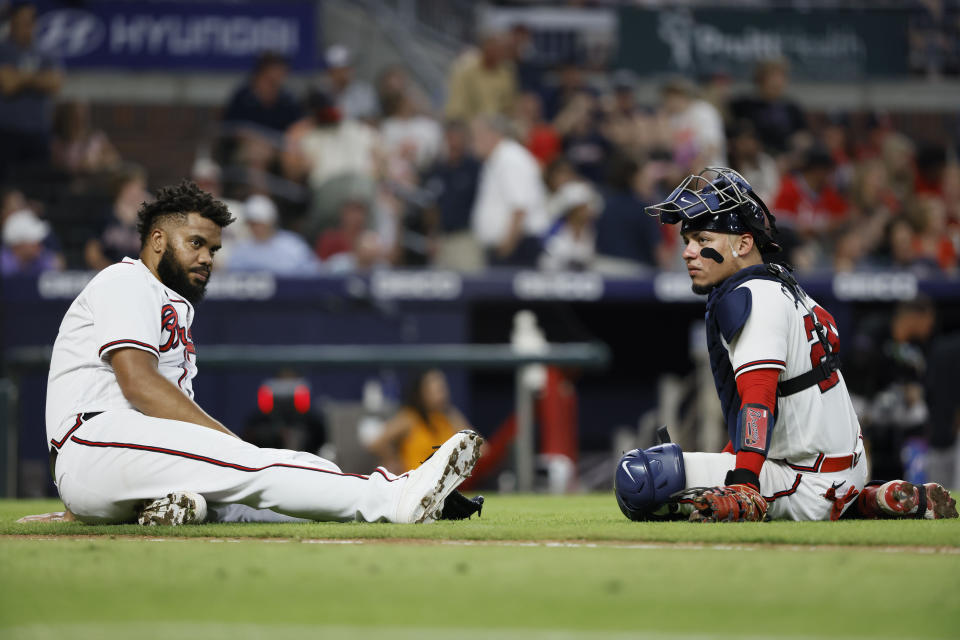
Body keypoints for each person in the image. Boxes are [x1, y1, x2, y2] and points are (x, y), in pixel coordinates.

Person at [44, 180, 482, 525]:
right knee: (252, 467)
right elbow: (137, 384)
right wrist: (230, 447)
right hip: (95, 443)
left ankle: (177, 507)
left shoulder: (170, 304)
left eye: (213, 249)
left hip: (123, 463)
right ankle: (395, 496)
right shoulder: (125, 281)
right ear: (158, 240)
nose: (207, 257)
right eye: (195, 242)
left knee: (249, 500)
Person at [615, 167, 957, 522]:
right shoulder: (787, 287)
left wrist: (744, 481)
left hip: (805, 477)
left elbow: (758, 400)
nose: (688, 252)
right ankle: (865, 500)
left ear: (743, 243)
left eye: (703, 240)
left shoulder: (751, 295)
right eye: (687, 241)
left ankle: (829, 503)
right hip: (845, 466)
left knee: (640, 475)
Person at [469, 115, 549, 268]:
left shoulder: (510, 158)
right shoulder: (497, 158)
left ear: (492, 134)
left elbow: (520, 207)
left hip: (517, 248)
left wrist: (507, 247)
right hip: (509, 247)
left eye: (475, 136)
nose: (472, 143)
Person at [369, 370, 472, 475]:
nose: (442, 395)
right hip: (416, 481)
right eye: (436, 390)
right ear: (422, 393)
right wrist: (393, 459)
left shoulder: (451, 416)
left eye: (443, 389)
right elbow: (376, 442)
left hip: (447, 482)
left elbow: (480, 448)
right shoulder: (410, 418)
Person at [224, 194, 321, 275]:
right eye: (253, 224)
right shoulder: (242, 248)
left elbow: (312, 272)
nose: (257, 228)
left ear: (271, 221)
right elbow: (233, 277)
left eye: (260, 223)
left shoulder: (293, 245)